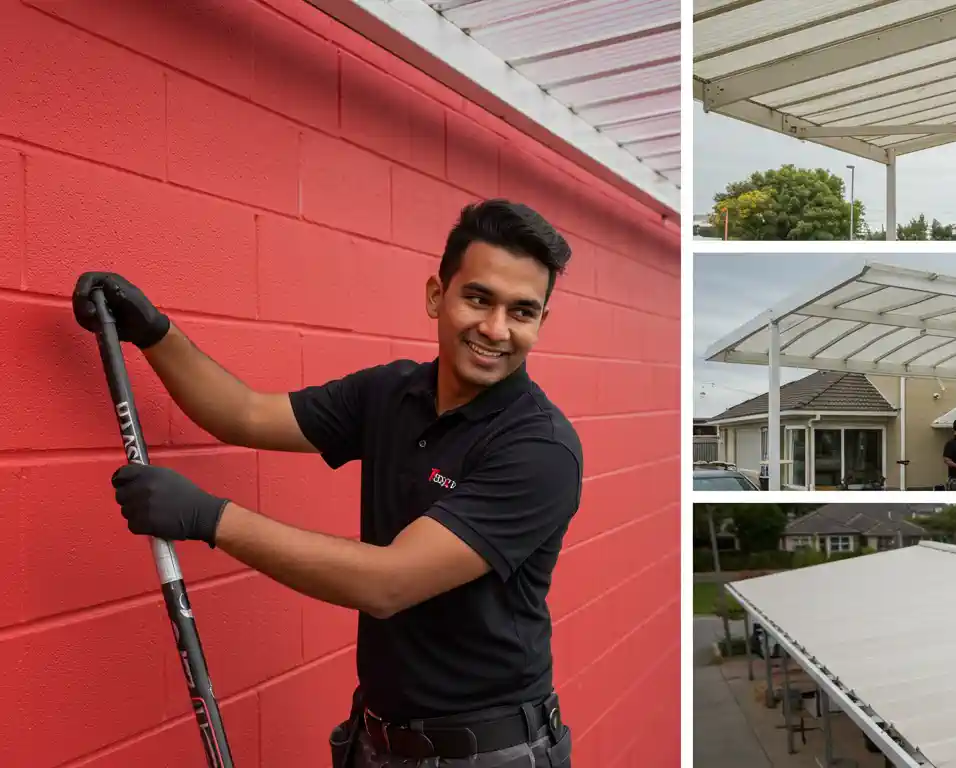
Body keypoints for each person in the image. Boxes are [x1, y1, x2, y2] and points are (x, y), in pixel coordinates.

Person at [71, 199, 581, 768]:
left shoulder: (540, 450)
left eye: (522, 311)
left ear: (540, 323)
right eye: (479, 298)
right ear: (437, 295)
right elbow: (244, 414)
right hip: (379, 738)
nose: (495, 328)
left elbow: (388, 583)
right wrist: (155, 334)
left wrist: (209, 517)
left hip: (490, 753)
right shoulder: (393, 394)